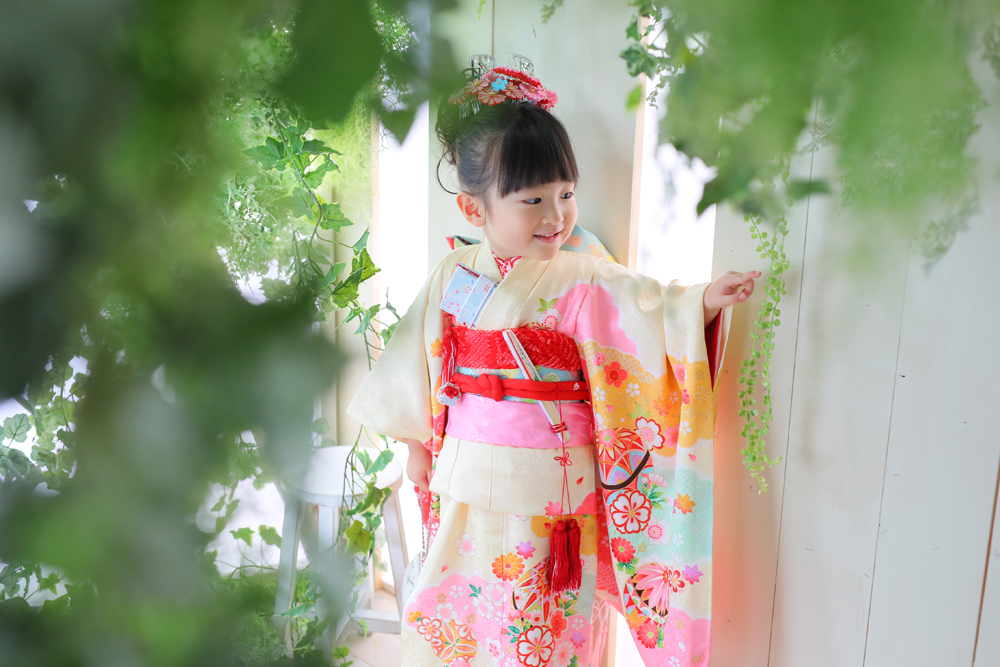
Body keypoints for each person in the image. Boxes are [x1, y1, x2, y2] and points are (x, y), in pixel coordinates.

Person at [348, 57, 758, 667]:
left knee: (541, 629)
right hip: (464, 480)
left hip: (555, 491)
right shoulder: (454, 274)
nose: (556, 216)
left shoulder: (584, 275)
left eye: (566, 194)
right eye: (533, 199)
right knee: (460, 614)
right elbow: (420, 362)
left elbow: (647, 313)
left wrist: (698, 303)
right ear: (474, 210)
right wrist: (415, 447)